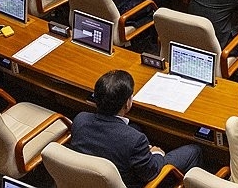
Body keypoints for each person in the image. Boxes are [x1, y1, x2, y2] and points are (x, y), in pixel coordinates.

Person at [70, 70, 203, 188]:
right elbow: (150, 173)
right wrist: (157, 154)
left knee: (136, 127)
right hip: (132, 182)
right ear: (127, 103)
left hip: (90, 179)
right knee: (194, 151)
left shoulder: (80, 119)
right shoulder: (134, 140)